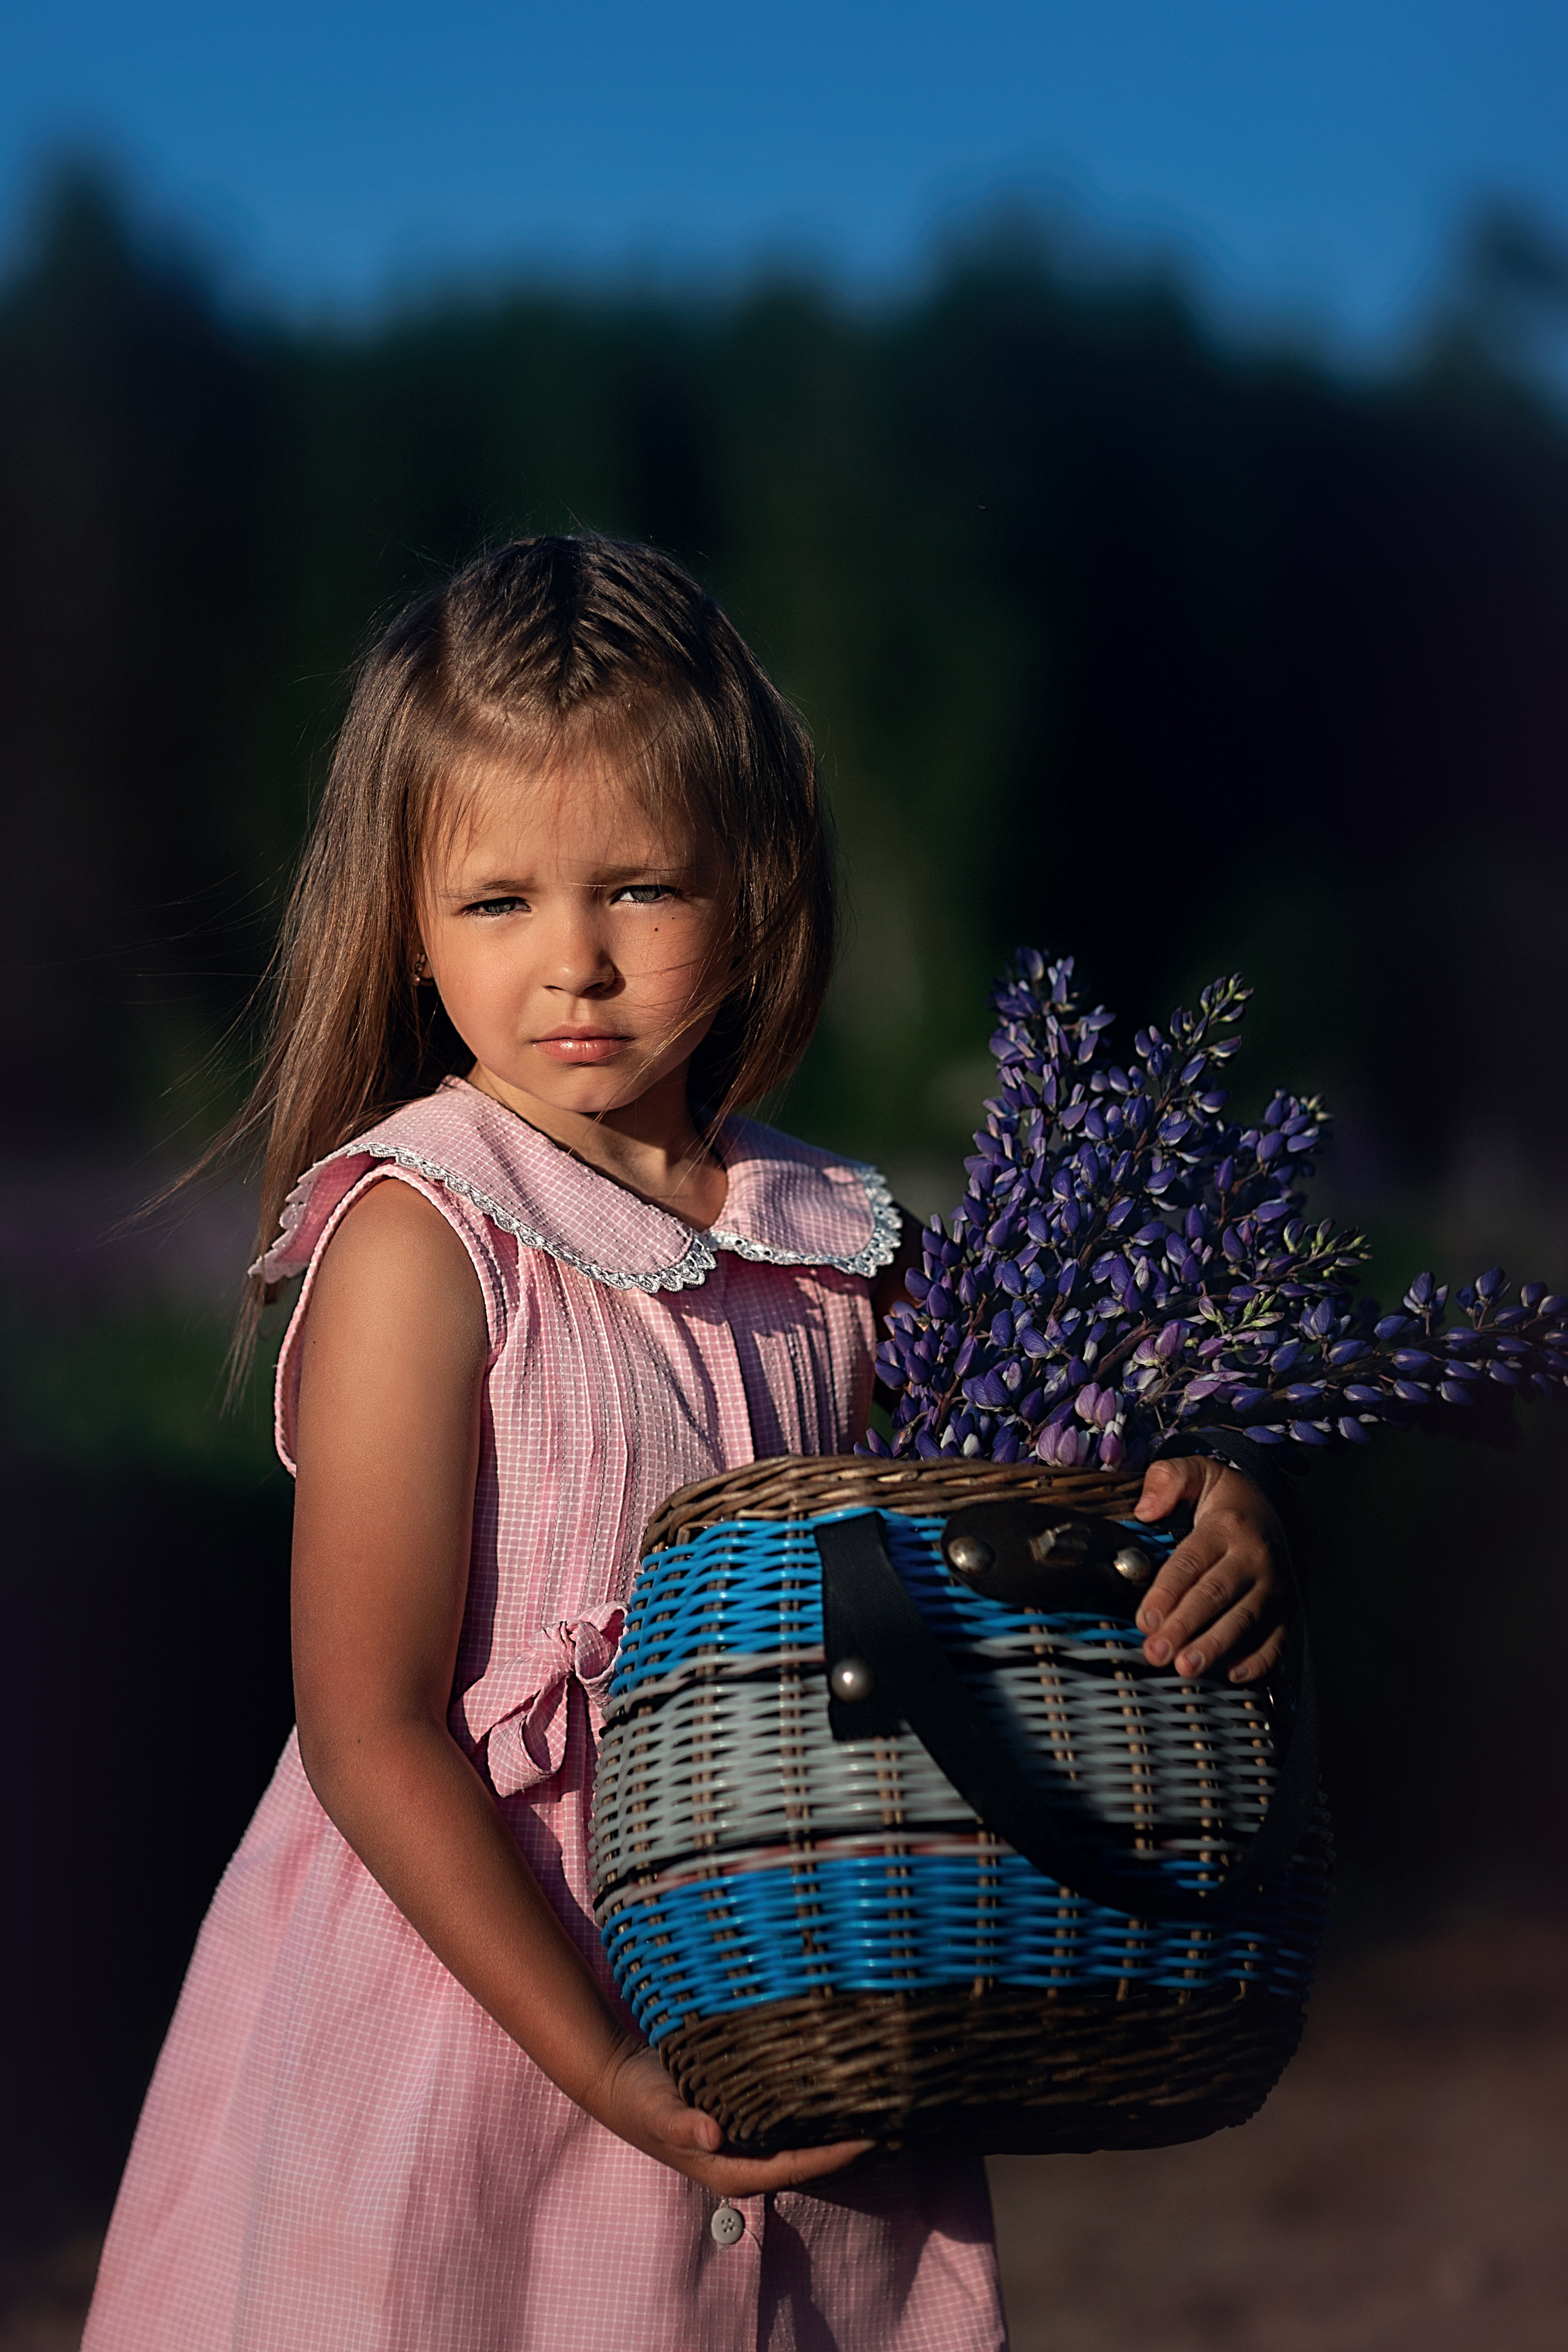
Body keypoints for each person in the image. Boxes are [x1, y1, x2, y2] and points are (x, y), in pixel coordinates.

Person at [83, 535, 1289, 2352]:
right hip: (484, 2028)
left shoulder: (840, 1237)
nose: (572, 962)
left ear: (754, 885)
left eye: (640, 889)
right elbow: (368, 1718)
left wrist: (1199, 1507)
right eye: (496, 902)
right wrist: (607, 2063)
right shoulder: (427, 1235)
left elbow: (1022, 1509)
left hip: (809, 1969)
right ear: (408, 919)